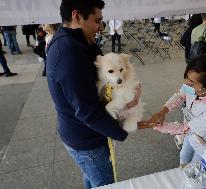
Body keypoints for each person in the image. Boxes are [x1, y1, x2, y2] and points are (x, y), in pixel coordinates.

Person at [46, 0, 140, 188]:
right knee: (104, 183)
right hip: (86, 139)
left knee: (92, 177)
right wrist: (122, 131)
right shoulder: (69, 52)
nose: (100, 27)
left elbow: (100, 81)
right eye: (97, 21)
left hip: (83, 132)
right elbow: (87, 111)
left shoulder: (78, 41)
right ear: (76, 16)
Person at [148, 54, 206, 166]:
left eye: (191, 83)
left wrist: (155, 125)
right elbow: (181, 95)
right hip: (192, 131)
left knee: (196, 164)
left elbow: (185, 129)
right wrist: (163, 111)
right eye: (186, 77)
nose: (185, 83)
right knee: (183, 157)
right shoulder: (196, 85)